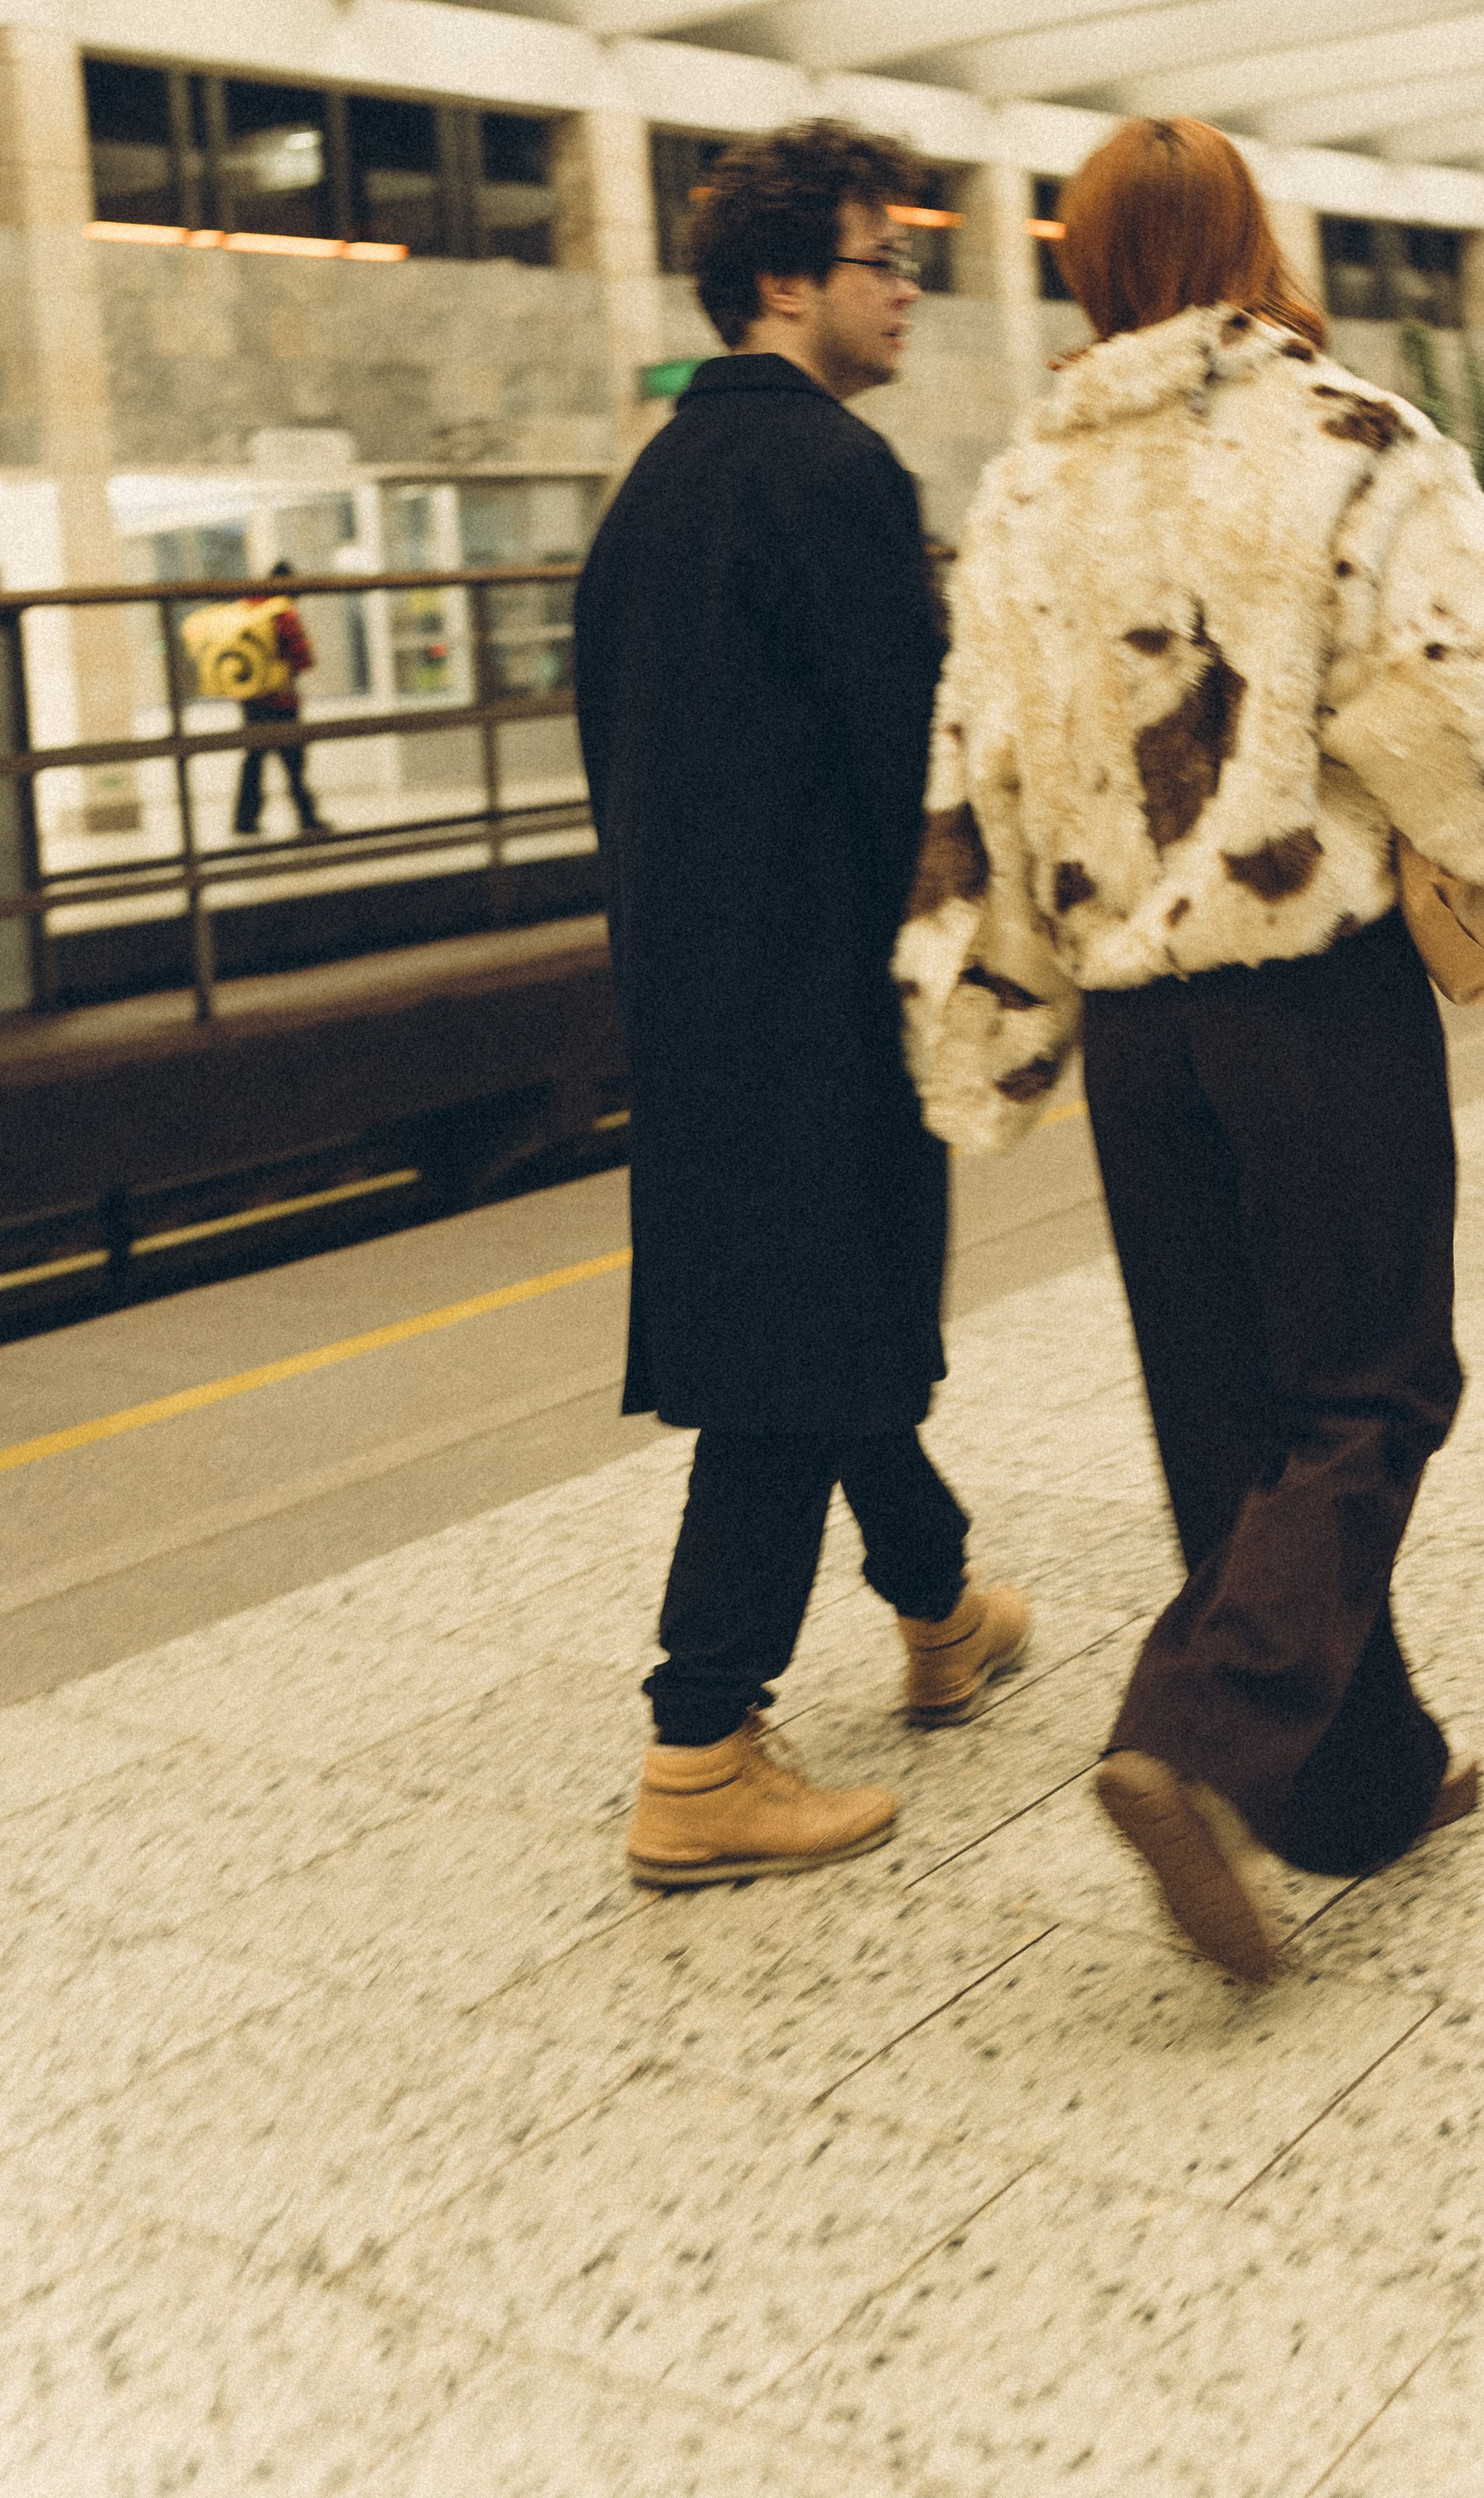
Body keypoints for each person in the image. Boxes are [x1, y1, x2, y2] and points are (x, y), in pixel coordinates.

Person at [895, 117, 1484, 1982]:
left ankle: (1357, 1783)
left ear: (1084, 265)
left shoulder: (1022, 489)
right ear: (1252, 241)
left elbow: (977, 778)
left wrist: (998, 1012)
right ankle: (1193, 1737)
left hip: (1139, 1024)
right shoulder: (1343, 438)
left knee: (1228, 1407)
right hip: (1309, 985)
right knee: (1375, 1383)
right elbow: (1449, 711)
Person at [573, 119, 1029, 1890]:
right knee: (791, 1353)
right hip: (820, 997)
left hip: (690, 992)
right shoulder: (834, 473)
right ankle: (701, 1751)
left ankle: (941, 1610)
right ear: (783, 280)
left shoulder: (653, 490)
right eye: (880, 261)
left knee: (818, 1322)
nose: (907, 290)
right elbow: (914, 764)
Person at [231, 559, 331, 836]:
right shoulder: (282, 613)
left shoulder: (246, 607)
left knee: (253, 761)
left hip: (250, 699)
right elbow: (303, 659)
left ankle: (244, 820)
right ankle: (307, 817)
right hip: (281, 699)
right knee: (294, 762)